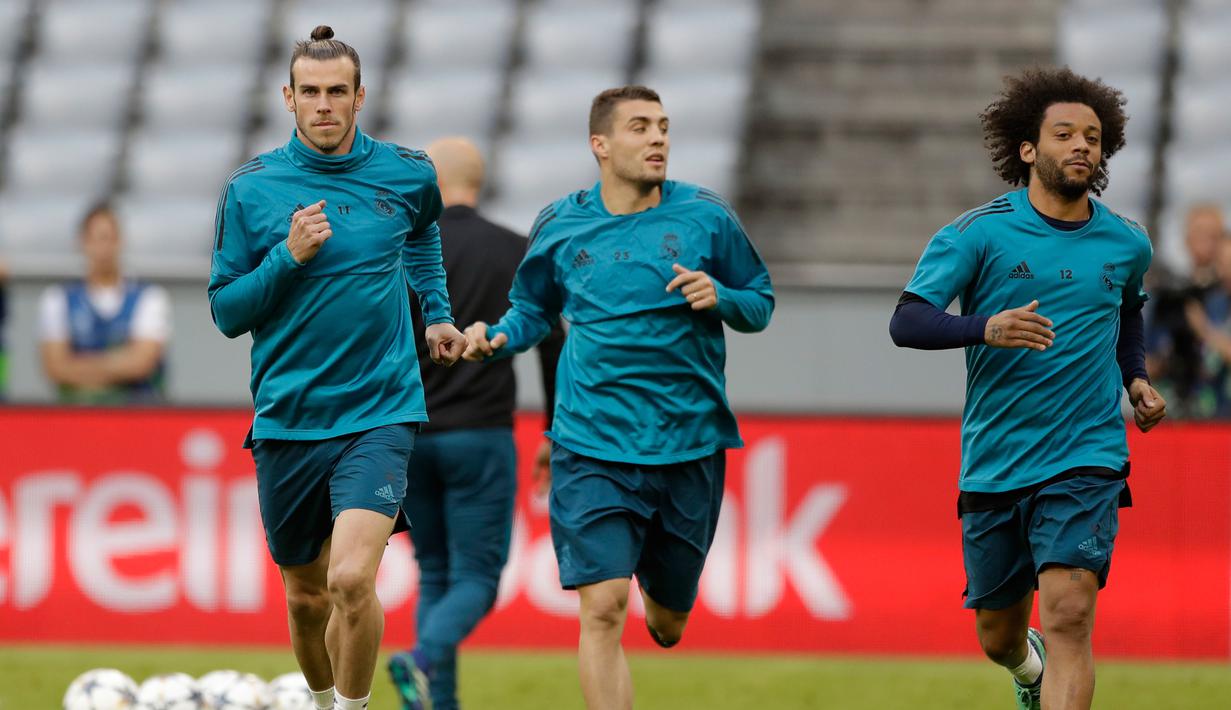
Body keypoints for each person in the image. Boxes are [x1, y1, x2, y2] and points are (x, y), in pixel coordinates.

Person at [462, 85, 774, 709]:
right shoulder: (559, 225)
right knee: (602, 610)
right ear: (600, 145)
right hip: (590, 445)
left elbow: (760, 301)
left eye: (662, 126)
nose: (658, 138)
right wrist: (494, 338)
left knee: (666, 624)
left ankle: (667, 599)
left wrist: (724, 297)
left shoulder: (706, 217)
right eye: (640, 127)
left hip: (688, 447)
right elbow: (531, 310)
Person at [889, 67, 1167, 710]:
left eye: (1093, 138)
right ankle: (1026, 669)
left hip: (1086, 454)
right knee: (998, 635)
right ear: (1027, 148)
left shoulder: (1127, 242)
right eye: (1065, 133)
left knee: (1071, 613)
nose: (1082, 147)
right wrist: (986, 327)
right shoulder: (977, 233)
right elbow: (908, 320)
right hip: (997, 459)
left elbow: (1128, 311)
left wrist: (1137, 379)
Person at [207, 26, 466, 710]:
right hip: (289, 416)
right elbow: (228, 312)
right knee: (305, 596)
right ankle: (321, 703)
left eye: (338, 92)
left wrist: (435, 312)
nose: (325, 105)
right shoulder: (252, 190)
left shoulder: (406, 173)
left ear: (360, 97)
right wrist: (286, 257)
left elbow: (422, 231)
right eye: (311, 93)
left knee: (353, 579)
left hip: (381, 409)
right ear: (288, 99)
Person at [385, 136, 565, 710]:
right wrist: (554, 430)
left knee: (436, 573)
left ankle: (438, 700)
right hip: (481, 436)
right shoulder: (513, 249)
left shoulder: (402, 253)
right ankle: (420, 657)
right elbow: (551, 340)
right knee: (479, 580)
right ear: (477, 181)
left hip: (412, 435)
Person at [39, 202, 169, 405]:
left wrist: (78, 367)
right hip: (77, 418)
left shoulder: (150, 298)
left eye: (109, 238)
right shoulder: (57, 299)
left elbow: (142, 363)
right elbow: (55, 367)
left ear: (121, 241)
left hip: (137, 418)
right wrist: (119, 363)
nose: (103, 248)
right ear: (82, 242)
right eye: (96, 239)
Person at [1145, 203, 1227, 417]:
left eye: (1213, 235)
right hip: (1172, 407)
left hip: (1220, 409)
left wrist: (1204, 330)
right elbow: (1144, 361)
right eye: (1199, 233)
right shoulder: (1169, 296)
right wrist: (1162, 362)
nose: (1205, 242)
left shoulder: (1225, 297)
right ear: (1186, 239)